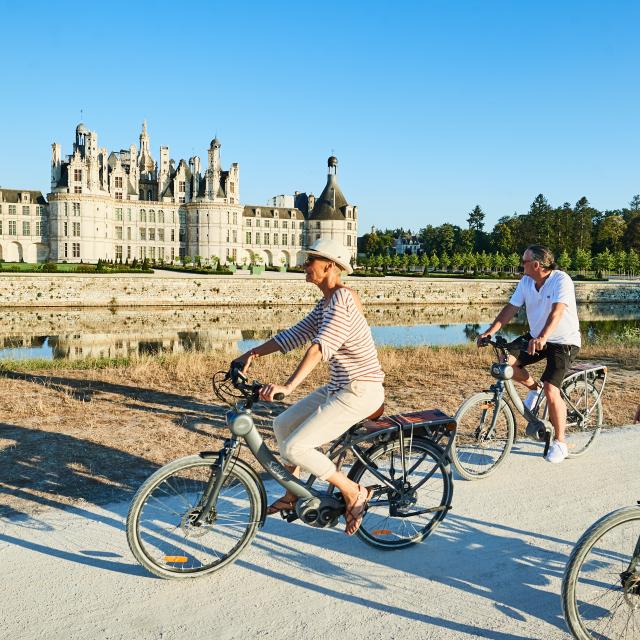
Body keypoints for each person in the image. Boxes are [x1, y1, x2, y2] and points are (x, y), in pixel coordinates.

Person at [232, 239, 385, 535]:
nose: (304, 265)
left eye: (310, 260)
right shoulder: (325, 303)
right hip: (339, 387)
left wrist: (288, 387)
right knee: (282, 425)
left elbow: (319, 348)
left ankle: (354, 492)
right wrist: (248, 354)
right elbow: (293, 336)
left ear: (329, 265)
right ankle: (294, 494)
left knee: (296, 446)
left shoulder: (343, 300)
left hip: (361, 389)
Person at [477, 244, 581, 464]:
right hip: (536, 336)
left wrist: (543, 337)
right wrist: (490, 331)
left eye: (523, 261)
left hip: (563, 341)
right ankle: (535, 389)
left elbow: (557, 312)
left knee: (553, 389)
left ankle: (561, 443)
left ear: (536, 264)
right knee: (507, 364)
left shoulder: (561, 280)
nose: (520, 265)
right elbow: (510, 309)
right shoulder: (526, 282)